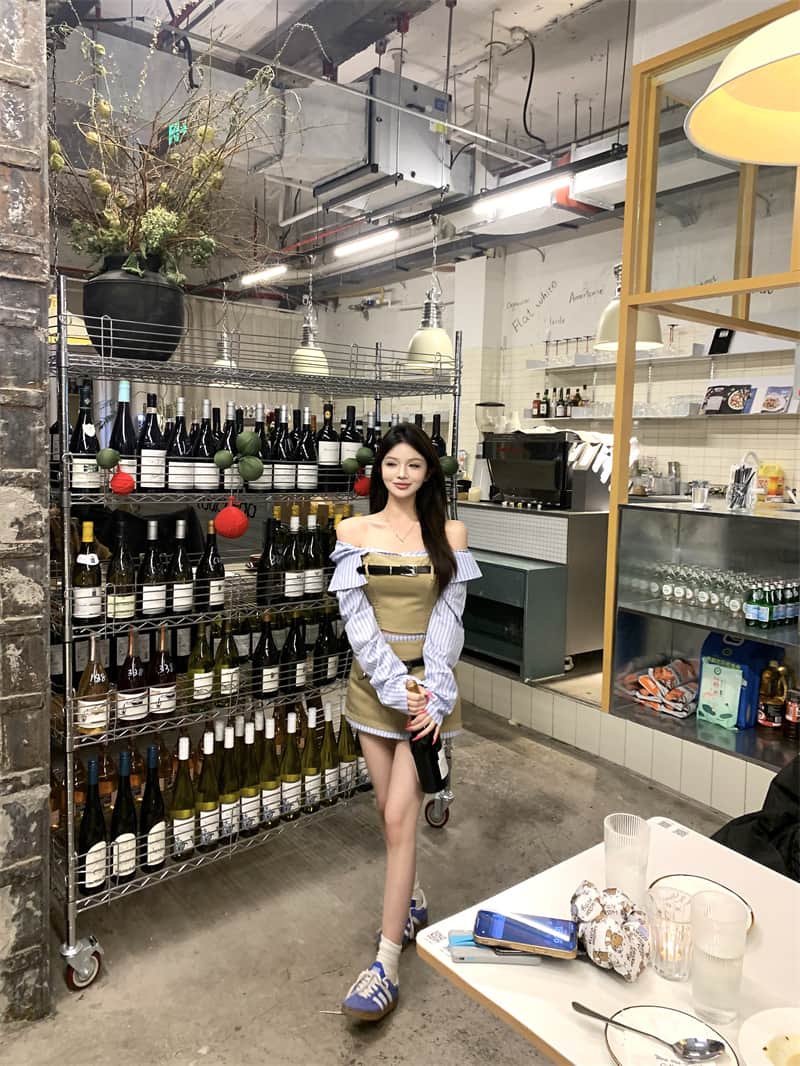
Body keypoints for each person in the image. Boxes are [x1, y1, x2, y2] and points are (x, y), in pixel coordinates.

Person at [328, 422, 481, 1022]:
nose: (402, 474)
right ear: (380, 470)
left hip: (427, 694)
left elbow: (449, 616)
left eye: (414, 465)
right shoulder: (353, 532)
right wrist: (396, 684)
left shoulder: (449, 534)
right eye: (393, 463)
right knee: (384, 811)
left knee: (398, 817)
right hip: (374, 690)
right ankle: (412, 899)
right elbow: (357, 619)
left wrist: (428, 691)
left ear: (427, 473)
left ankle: (386, 964)